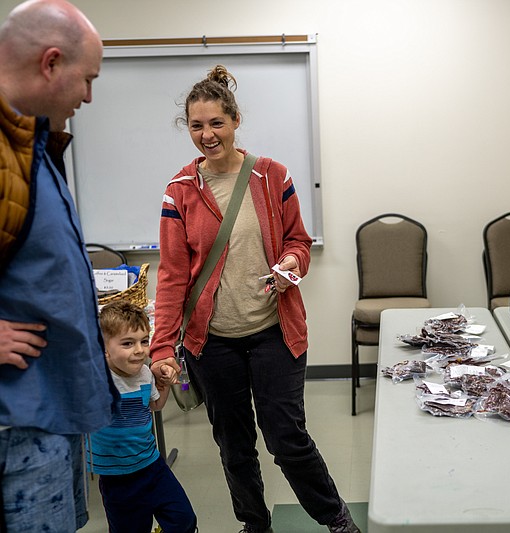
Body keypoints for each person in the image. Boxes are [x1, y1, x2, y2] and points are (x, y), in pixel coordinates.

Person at [149, 65, 359, 533]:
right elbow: (172, 278)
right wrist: (162, 347)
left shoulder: (271, 176)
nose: (207, 134)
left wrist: (290, 266)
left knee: (287, 438)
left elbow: (299, 242)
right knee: (234, 444)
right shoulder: (180, 191)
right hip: (213, 342)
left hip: (274, 332)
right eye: (197, 125)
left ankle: (338, 520)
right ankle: (255, 524)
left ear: (235, 120)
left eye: (216, 123)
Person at [0, 1, 118, 531]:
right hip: (18, 418)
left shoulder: (30, 147)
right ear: (51, 62)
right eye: (86, 79)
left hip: (54, 407)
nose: (88, 97)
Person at [88, 300, 197, 533]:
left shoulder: (145, 373)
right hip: (117, 477)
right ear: (104, 348)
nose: (139, 350)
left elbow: (156, 406)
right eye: (128, 343)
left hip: (152, 466)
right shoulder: (94, 377)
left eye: (144, 341)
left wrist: (164, 384)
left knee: (184, 519)